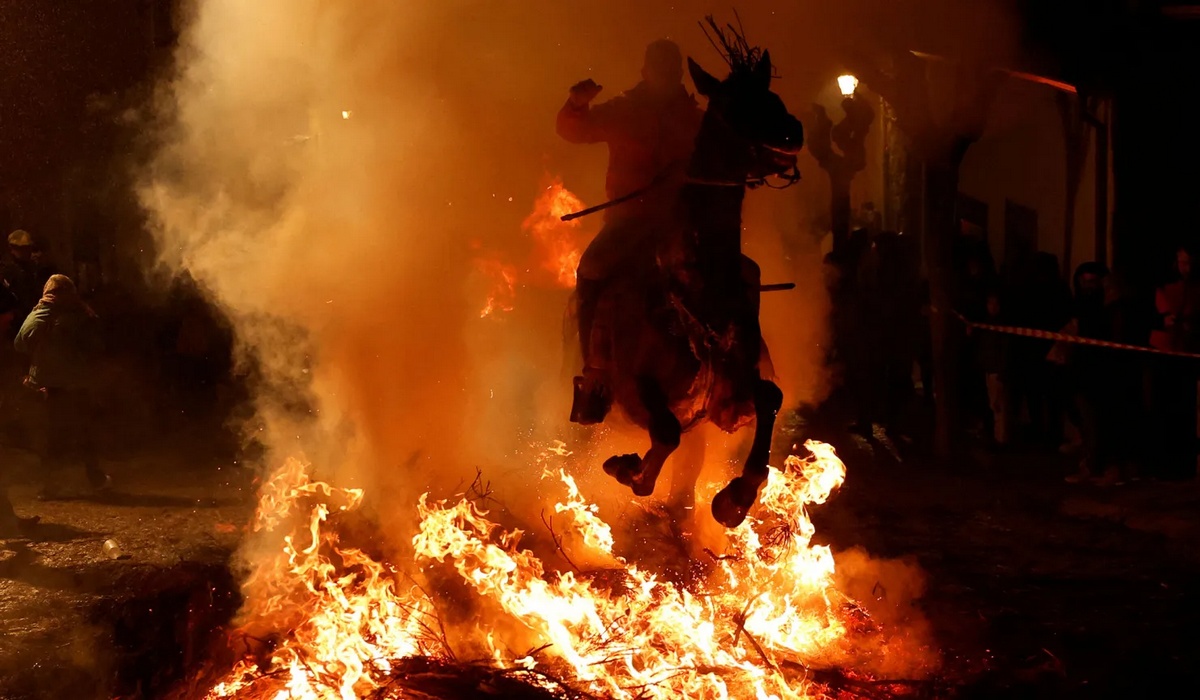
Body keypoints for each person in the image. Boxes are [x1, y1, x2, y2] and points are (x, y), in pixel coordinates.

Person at [557, 39, 705, 423]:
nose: (665, 78)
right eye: (659, 70)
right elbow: (576, 130)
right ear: (645, 73)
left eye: (671, 72)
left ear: (678, 75)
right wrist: (576, 105)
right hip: (627, 224)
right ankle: (596, 377)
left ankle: (730, 375)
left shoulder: (695, 119)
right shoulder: (624, 111)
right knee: (590, 271)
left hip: (679, 224)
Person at [14, 275, 110, 498]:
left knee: (51, 439)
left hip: (47, 387)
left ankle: (51, 487)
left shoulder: (40, 313)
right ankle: (96, 480)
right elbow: (97, 345)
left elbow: (20, 343)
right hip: (76, 385)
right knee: (84, 433)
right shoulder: (81, 314)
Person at [1149, 246, 1200, 481]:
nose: (1185, 268)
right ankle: (1163, 463)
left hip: (1186, 354)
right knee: (1164, 407)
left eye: (1188, 263)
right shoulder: (1163, 289)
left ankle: (1182, 463)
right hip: (1164, 352)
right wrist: (1165, 318)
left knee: (1185, 409)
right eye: (1181, 263)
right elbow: (1158, 316)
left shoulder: (1196, 290)